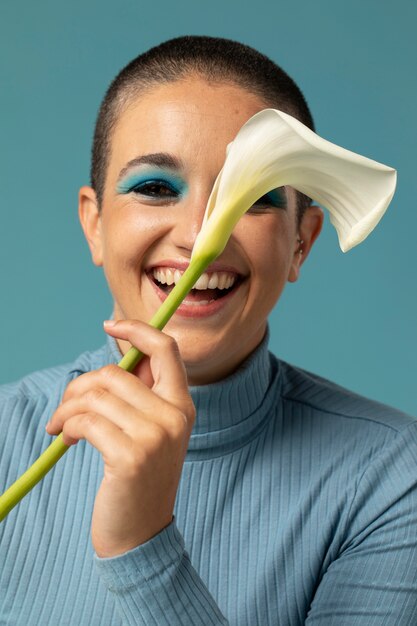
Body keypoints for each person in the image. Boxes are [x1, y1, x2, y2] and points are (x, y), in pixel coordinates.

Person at [0, 35, 416, 626]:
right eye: (154, 188)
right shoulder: (5, 434)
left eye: (254, 199)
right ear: (95, 225)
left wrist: (144, 546)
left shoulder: (394, 479)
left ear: (302, 242)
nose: (201, 237)